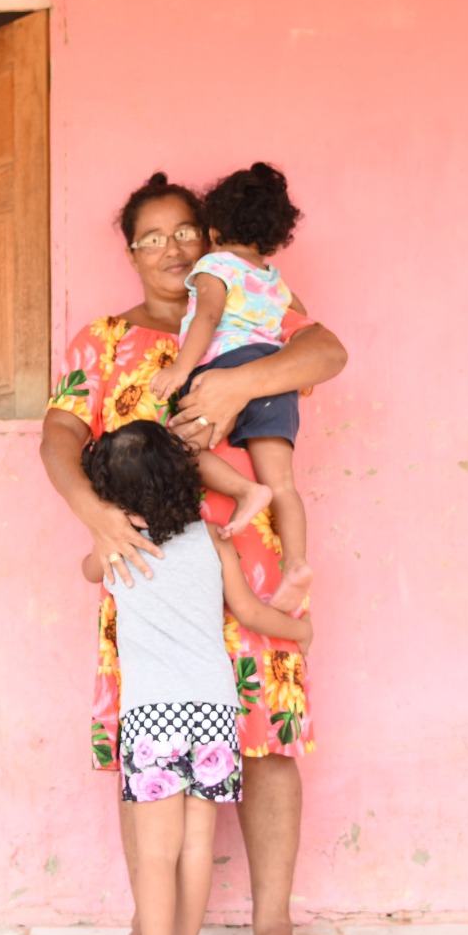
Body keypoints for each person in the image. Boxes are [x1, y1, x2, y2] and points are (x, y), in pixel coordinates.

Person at [39, 171, 348, 935]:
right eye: (153, 236)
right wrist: (95, 518)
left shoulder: (251, 312)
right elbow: (59, 436)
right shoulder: (103, 341)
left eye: (186, 233)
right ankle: (153, 924)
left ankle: (272, 926)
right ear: (131, 251)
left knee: (268, 736)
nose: (173, 248)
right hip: (147, 571)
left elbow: (327, 350)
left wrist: (241, 379)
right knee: (148, 747)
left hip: (248, 555)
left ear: (209, 240)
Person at [78, 420, 313, 935]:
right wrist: (301, 630)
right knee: (194, 849)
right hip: (213, 714)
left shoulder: (113, 550)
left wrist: (106, 528)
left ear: (111, 495)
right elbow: (252, 615)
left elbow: (89, 570)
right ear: (185, 477)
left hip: (152, 718)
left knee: (157, 853)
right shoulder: (214, 540)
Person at [149, 163, 312, 613]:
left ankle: (244, 491)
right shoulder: (275, 280)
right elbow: (300, 322)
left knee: (178, 448)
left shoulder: (214, 265)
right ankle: (297, 564)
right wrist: (302, 374)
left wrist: (182, 370)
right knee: (284, 481)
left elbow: (207, 317)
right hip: (274, 376)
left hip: (226, 368)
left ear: (214, 228)